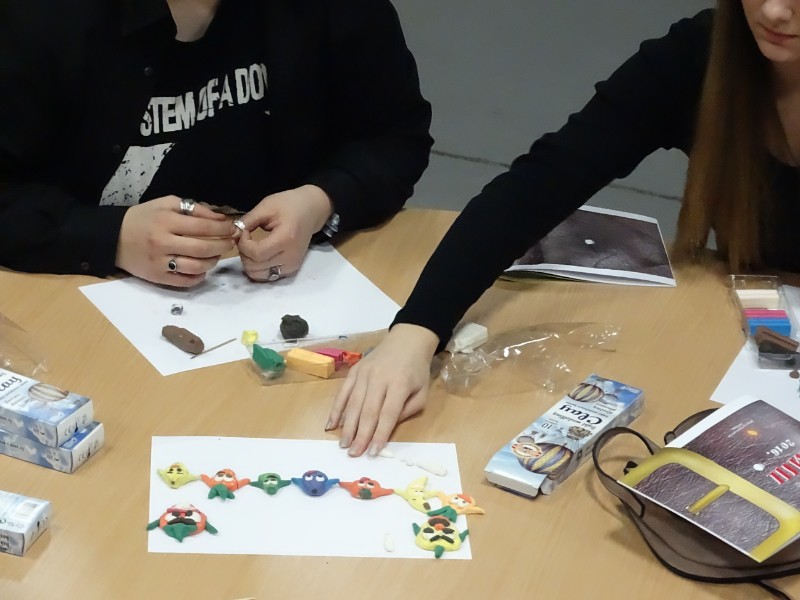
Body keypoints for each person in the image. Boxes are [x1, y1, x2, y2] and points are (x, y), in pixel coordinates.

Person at [329, 0, 800, 456]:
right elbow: (540, 185)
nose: (774, 11)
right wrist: (416, 330)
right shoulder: (703, 52)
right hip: (762, 331)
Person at [0, 0, 432, 286]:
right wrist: (111, 236)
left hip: (264, 294)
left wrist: (320, 200)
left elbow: (396, 134)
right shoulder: (37, 18)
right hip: (75, 292)